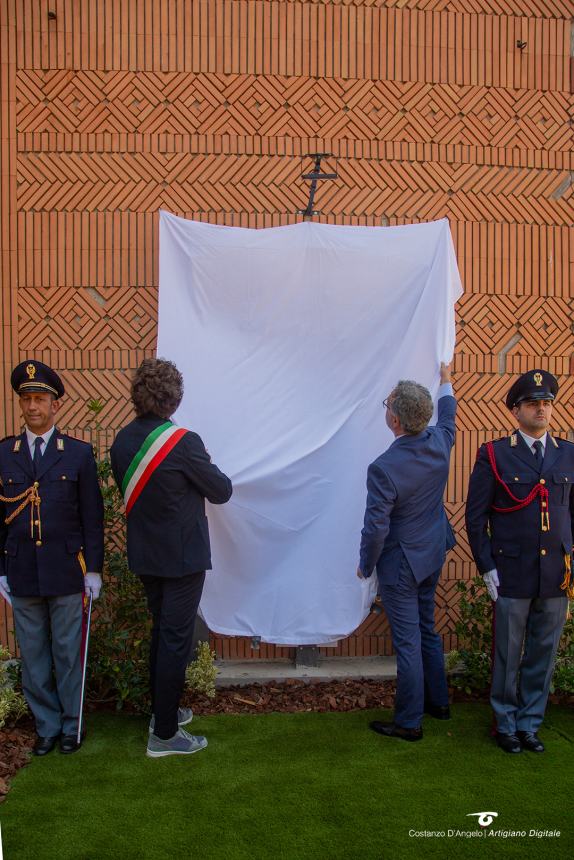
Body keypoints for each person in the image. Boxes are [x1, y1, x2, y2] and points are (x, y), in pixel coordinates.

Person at [110, 358, 232, 758]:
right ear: (174, 399)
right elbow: (221, 491)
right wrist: (205, 460)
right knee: (175, 641)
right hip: (182, 560)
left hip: (147, 556)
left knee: (163, 634)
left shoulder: (122, 442)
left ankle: (163, 712)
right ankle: (163, 734)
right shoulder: (184, 442)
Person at [465, 369, 573, 754]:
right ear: (517, 410)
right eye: (533, 404)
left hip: (555, 575)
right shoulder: (494, 453)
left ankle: (530, 723)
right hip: (510, 571)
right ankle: (506, 723)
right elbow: (476, 517)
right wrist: (485, 565)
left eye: (546, 403)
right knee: (509, 654)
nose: (541, 410)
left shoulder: (568, 454)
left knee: (543, 654)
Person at [0, 360, 104, 755]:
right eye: (26, 399)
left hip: (66, 570)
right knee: (34, 655)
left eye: (40, 399)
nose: (32, 407)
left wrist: (93, 569)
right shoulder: (4, 454)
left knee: (66, 651)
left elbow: (93, 516)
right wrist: (0, 571)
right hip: (22, 569)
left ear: (55, 405)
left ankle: (70, 727)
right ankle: (45, 726)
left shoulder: (75, 454)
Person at [357, 363, 456, 741]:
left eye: (387, 405)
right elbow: (450, 412)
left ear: (394, 420)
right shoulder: (441, 441)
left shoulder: (384, 468)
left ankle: (409, 721)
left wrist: (365, 566)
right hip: (433, 553)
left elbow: (375, 528)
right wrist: (446, 379)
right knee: (426, 629)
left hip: (401, 565)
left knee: (408, 642)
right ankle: (439, 703)